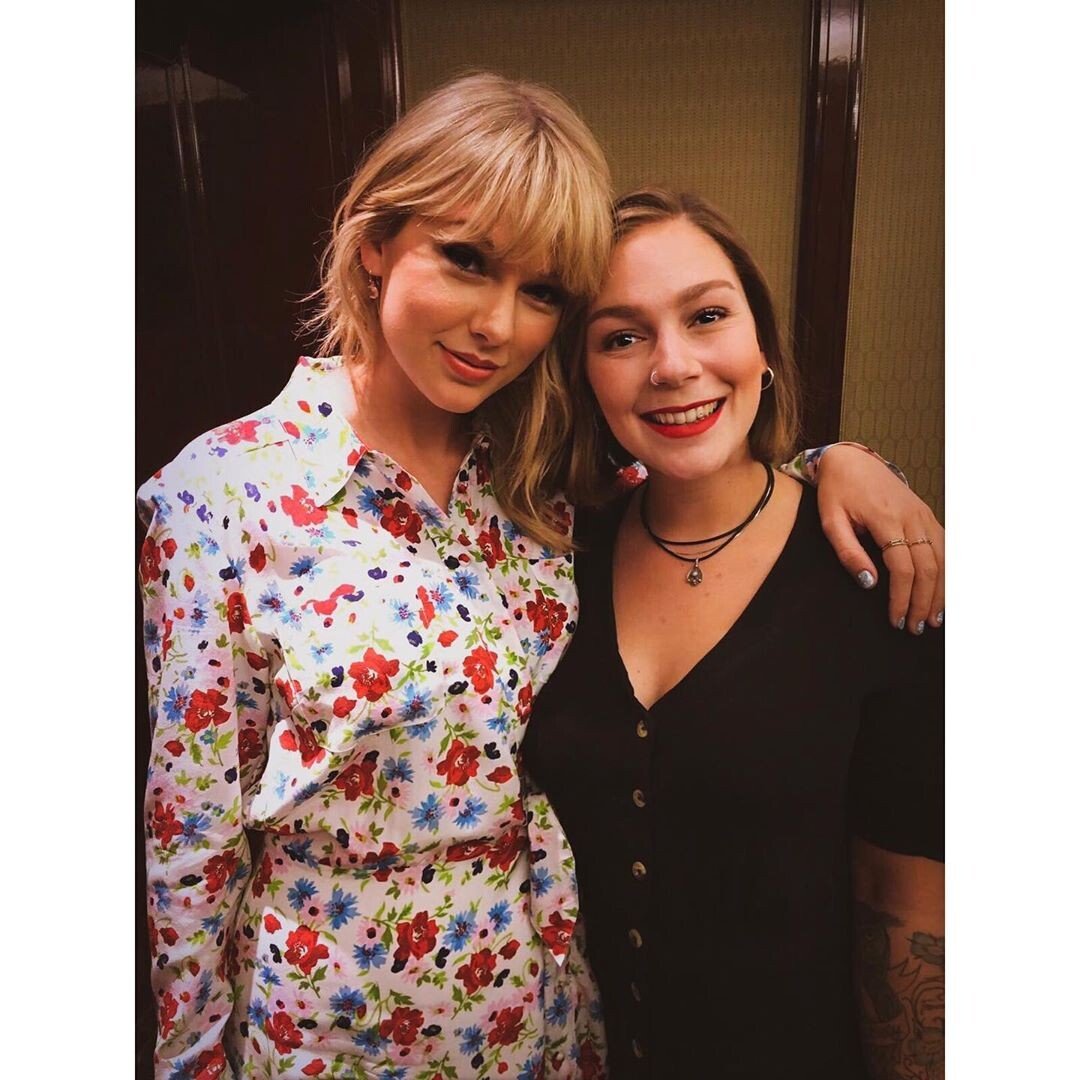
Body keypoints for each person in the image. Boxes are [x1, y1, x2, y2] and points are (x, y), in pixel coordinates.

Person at [138, 73, 943, 1079]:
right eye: (467, 261)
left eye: (543, 293)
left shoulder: (543, 484)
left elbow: (707, 473)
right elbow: (190, 843)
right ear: (375, 241)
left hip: (550, 1027)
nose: (497, 323)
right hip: (335, 1039)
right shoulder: (220, 499)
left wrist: (837, 465)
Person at [523, 189, 945, 1079]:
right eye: (622, 337)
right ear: (584, 373)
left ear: (763, 346)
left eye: (707, 316)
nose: (672, 366)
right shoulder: (554, 556)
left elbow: (905, 904)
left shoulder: (874, 576)